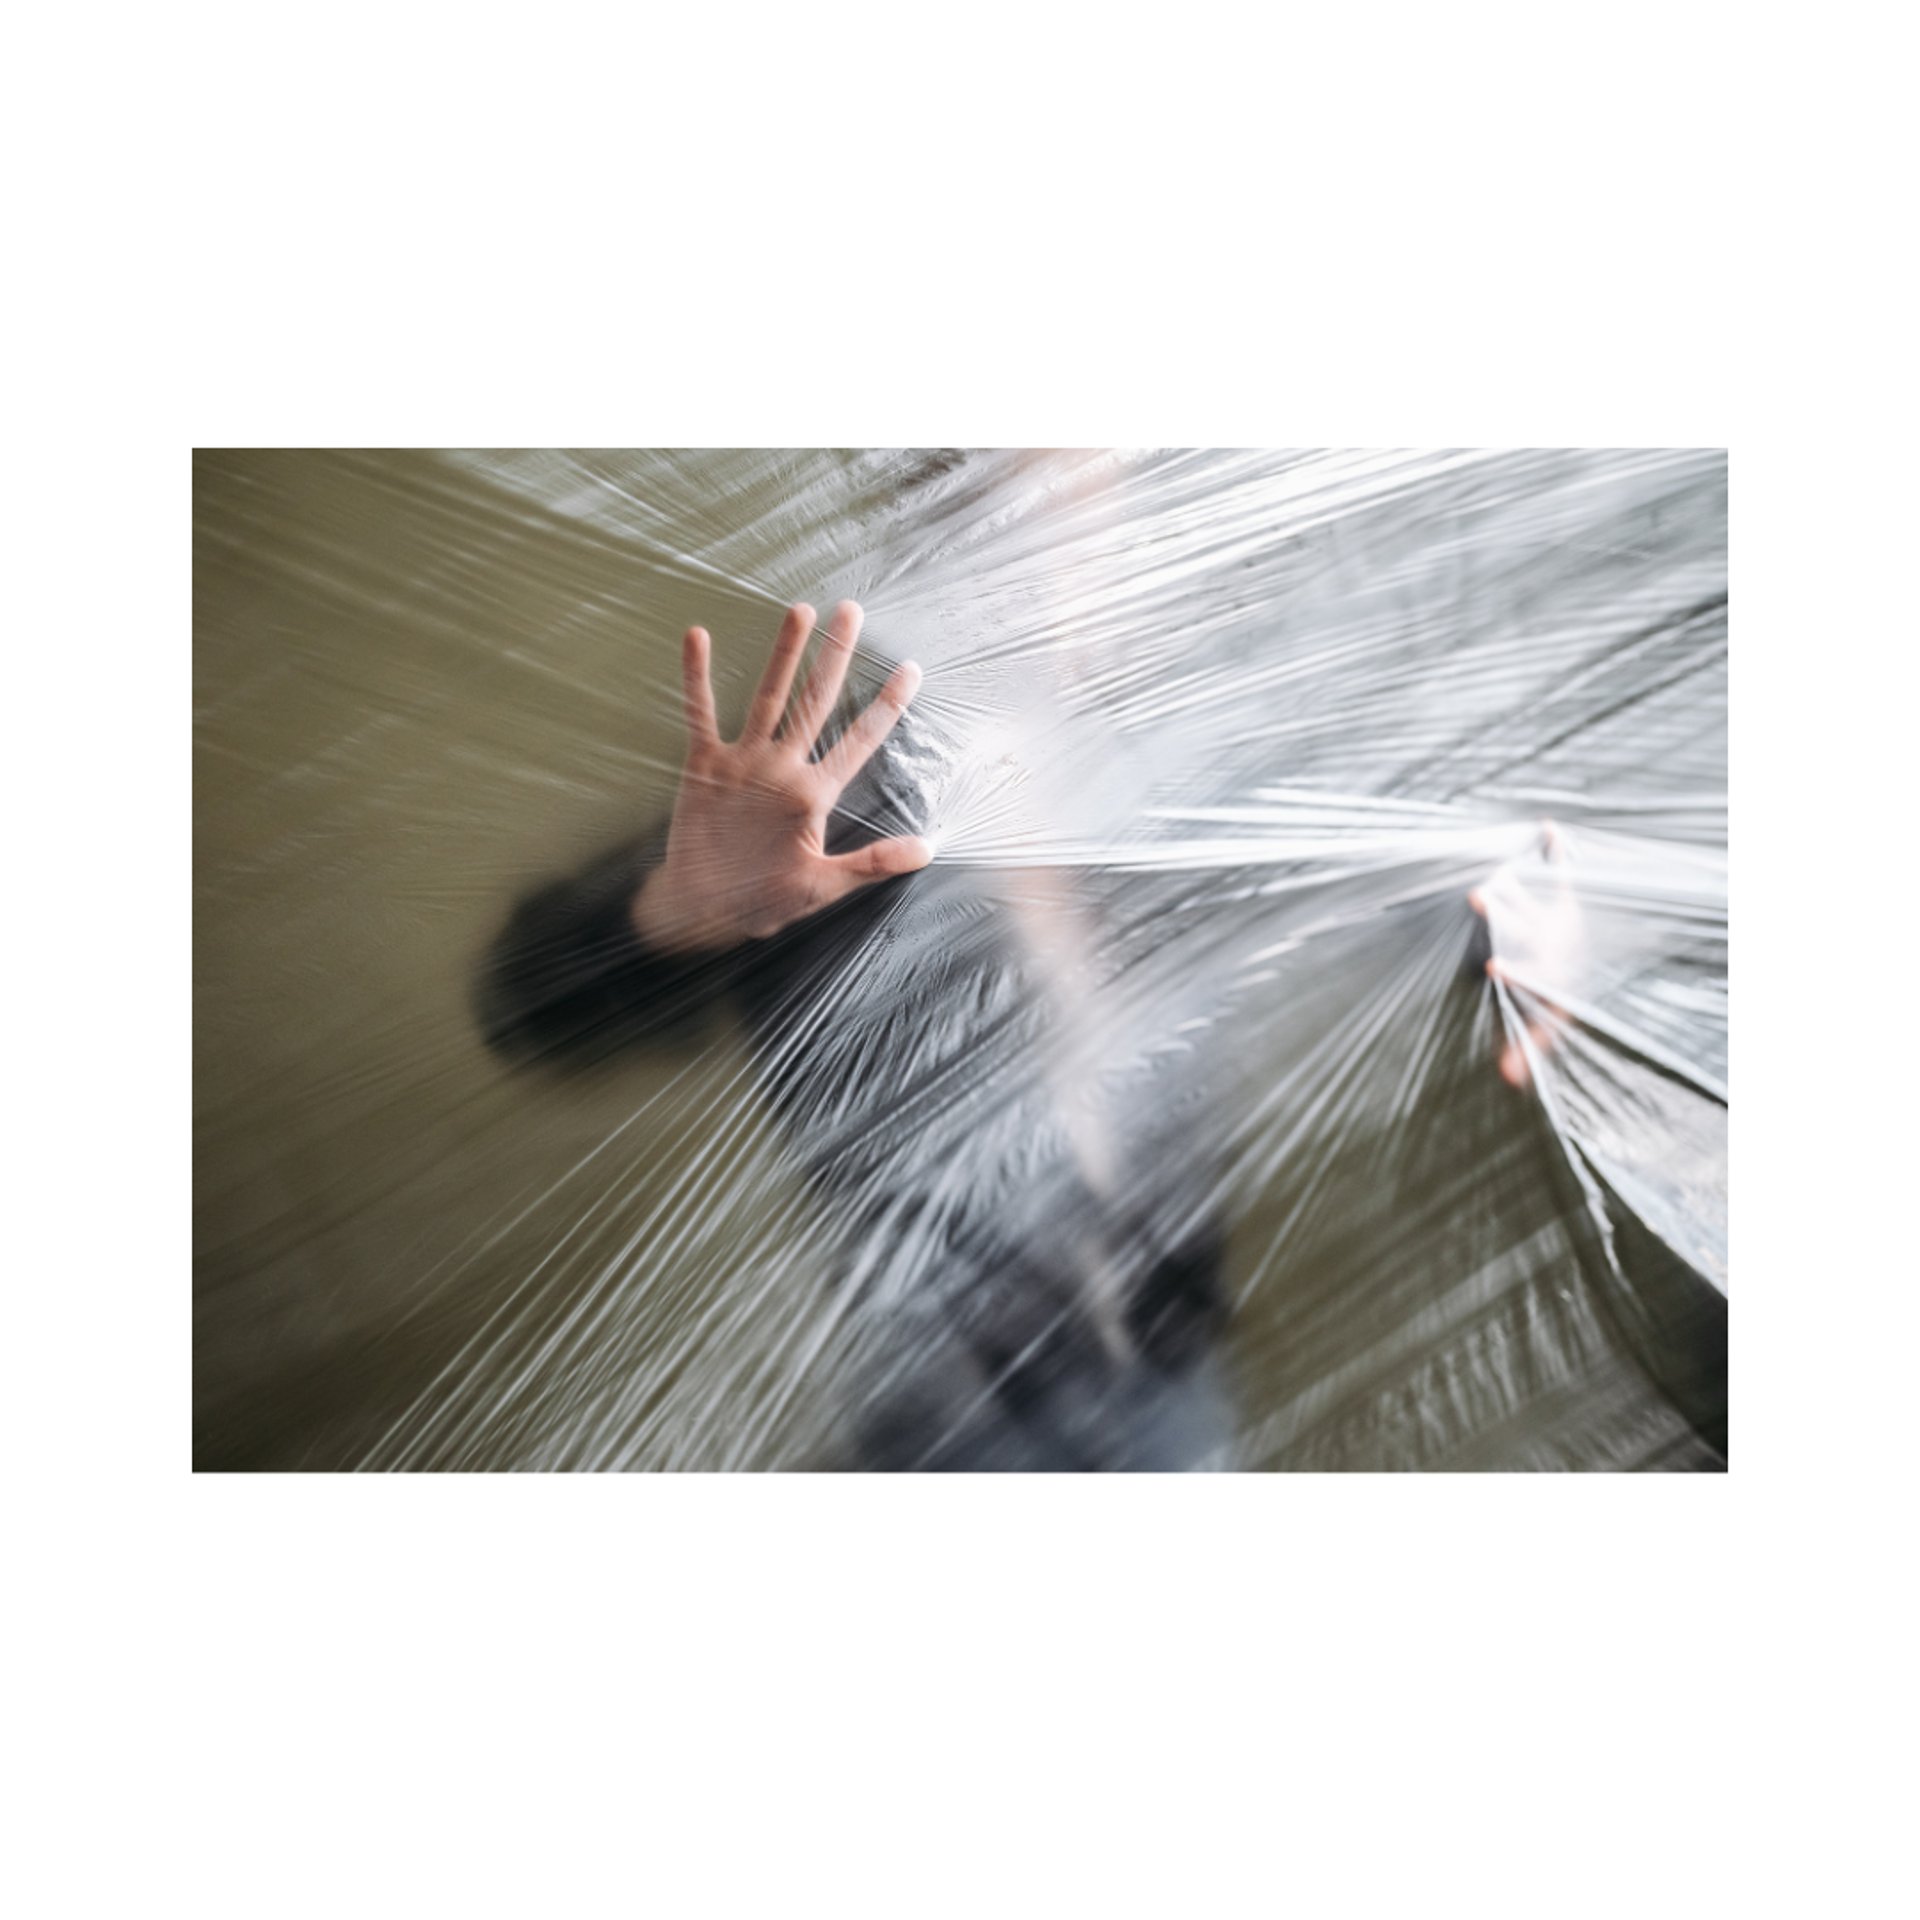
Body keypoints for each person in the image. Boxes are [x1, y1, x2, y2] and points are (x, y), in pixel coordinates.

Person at [480, 601, 1235, 1470]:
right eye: (1002, 490)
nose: (1065, 562)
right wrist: (670, 921)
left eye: (1089, 498)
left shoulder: (1168, 785)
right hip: (954, 1414)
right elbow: (532, 1003)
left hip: (1172, 1372)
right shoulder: (827, 806)